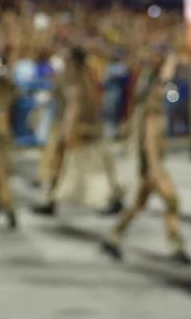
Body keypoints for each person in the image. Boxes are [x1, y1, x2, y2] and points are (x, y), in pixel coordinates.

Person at [102, 47, 191, 266]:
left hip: (151, 166)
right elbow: (150, 140)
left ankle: (113, 236)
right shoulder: (152, 105)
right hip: (153, 166)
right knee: (171, 201)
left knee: (138, 204)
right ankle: (176, 247)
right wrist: (154, 169)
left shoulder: (154, 96)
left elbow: (170, 89)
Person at [32, 47, 124, 216]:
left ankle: (110, 198)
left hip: (75, 129)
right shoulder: (88, 79)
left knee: (87, 167)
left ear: (73, 62)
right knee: (66, 165)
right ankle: (50, 201)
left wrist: (67, 133)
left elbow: (73, 107)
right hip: (91, 128)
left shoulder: (74, 81)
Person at [0, 56, 18, 229]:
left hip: (1, 132)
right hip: (4, 133)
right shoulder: (7, 86)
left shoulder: (5, 87)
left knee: (2, 175)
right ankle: (7, 206)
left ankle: (9, 206)